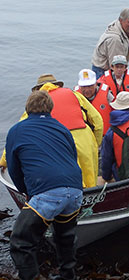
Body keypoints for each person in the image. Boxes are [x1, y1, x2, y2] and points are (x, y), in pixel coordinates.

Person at [5, 90, 83, 280]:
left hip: (47, 193)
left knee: (20, 242)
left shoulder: (16, 130)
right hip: (75, 192)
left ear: (27, 108)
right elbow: (72, 157)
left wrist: (27, 192)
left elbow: (14, 168)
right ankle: (68, 276)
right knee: (65, 237)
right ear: (50, 109)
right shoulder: (61, 128)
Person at [1, 73, 103, 188]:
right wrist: (95, 144)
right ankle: (93, 200)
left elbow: (17, 136)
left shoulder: (37, 103)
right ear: (57, 85)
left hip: (60, 144)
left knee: (70, 181)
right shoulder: (74, 94)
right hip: (85, 140)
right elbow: (98, 121)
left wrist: (3, 162)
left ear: (38, 90)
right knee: (90, 181)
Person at [75, 69, 114, 135]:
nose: (87, 90)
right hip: (85, 136)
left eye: (90, 86)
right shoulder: (75, 96)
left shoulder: (107, 95)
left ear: (96, 84)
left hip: (104, 136)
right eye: (84, 87)